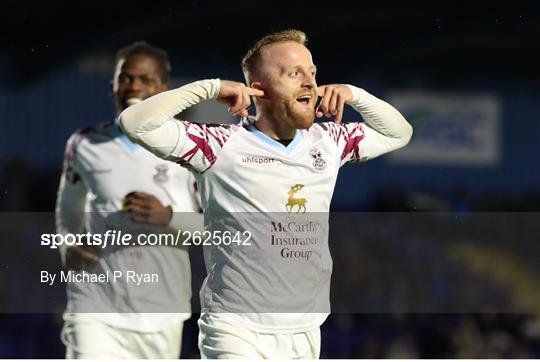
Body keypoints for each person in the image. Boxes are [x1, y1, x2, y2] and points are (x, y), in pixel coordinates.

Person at [119, 29, 413, 359]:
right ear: (259, 89)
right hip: (236, 331)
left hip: (303, 334)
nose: (310, 83)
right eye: (294, 73)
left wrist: (354, 94)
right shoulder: (220, 145)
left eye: (312, 73)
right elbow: (134, 123)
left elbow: (399, 133)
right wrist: (211, 88)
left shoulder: (329, 141)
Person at [55, 41, 202, 359]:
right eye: (126, 78)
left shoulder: (191, 149)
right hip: (95, 306)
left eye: (146, 79)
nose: (133, 86)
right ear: (113, 86)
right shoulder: (85, 143)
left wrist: (169, 216)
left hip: (162, 311)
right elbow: (68, 205)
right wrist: (68, 241)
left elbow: (215, 228)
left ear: (164, 89)